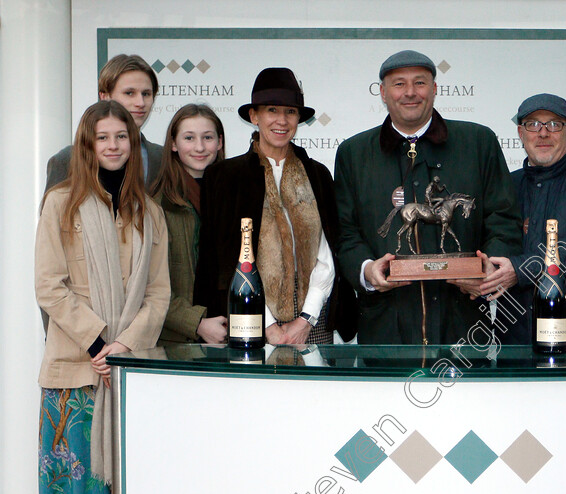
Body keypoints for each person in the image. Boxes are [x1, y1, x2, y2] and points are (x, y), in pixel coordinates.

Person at [35, 100, 169, 494]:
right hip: (74, 378)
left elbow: (159, 294)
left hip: (128, 377)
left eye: (121, 137)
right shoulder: (61, 202)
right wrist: (96, 345)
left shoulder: (150, 213)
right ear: (87, 146)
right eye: (103, 138)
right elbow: (49, 286)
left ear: (133, 145)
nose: (113, 146)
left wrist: (124, 347)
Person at [334, 49, 521, 344]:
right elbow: (345, 232)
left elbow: (503, 218)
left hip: (464, 326)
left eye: (420, 83)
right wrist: (366, 270)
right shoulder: (353, 154)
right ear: (383, 93)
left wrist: (490, 266)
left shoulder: (478, 142)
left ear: (434, 90)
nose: (410, 93)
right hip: (385, 330)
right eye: (399, 84)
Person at [194, 67, 357, 345]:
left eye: (290, 112)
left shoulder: (317, 175)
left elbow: (327, 253)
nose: (282, 120)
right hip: (249, 320)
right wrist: (267, 325)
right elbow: (223, 258)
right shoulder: (224, 177)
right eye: (272, 110)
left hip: (312, 324)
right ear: (254, 116)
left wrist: (306, 319)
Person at [479, 94, 566, 345]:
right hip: (515, 339)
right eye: (533, 124)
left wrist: (519, 270)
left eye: (554, 124)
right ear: (521, 134)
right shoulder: (507, 185)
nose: (543, 133)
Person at [151, 104, 228, 346]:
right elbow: (147, 285)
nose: (199, 147)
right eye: (189, 138)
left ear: (220, 142)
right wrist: (197, 323)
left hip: (234, 337)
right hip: (178, 343)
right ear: (173, 144)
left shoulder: (235, 196)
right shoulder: (156, 204)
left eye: (207, 137)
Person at [45, 54, 164, 191]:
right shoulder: (67, 160)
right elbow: (53, 210)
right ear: (105, 96)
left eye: (146, 94)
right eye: (129, 93)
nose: (140, 103)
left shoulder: (163, 159)